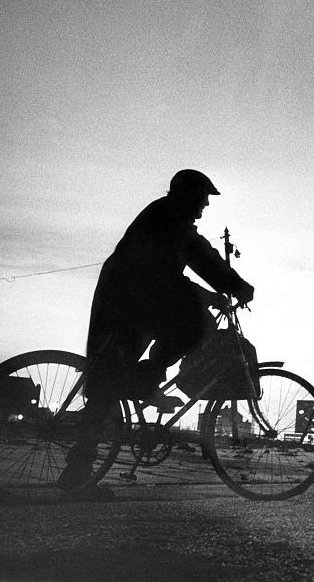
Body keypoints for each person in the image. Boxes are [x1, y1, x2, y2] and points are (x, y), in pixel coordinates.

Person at [57, 169, 255, 497]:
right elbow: (198, 257)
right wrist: (238, 288)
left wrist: (211, 294)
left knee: (106, 389)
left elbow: (173, 272)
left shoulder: (164, 217)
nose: (206, 204)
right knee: (193, 326)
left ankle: (77, 472)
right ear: (190, 195)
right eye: (204, 197)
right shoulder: (170, 222)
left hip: (126, 301)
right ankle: (145, 380)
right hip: (129, 303)